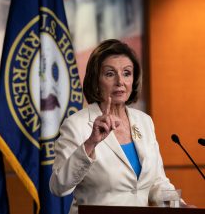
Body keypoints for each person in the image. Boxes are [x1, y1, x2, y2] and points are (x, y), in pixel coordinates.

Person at [49, 39, 190, 214]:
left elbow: (156, 183)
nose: (120, 81)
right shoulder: (76, 125)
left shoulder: (144, 122)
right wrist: (90, 143)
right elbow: (58, 186)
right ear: (96, 80)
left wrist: (181, 207)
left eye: (126, 73)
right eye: (110, 74)